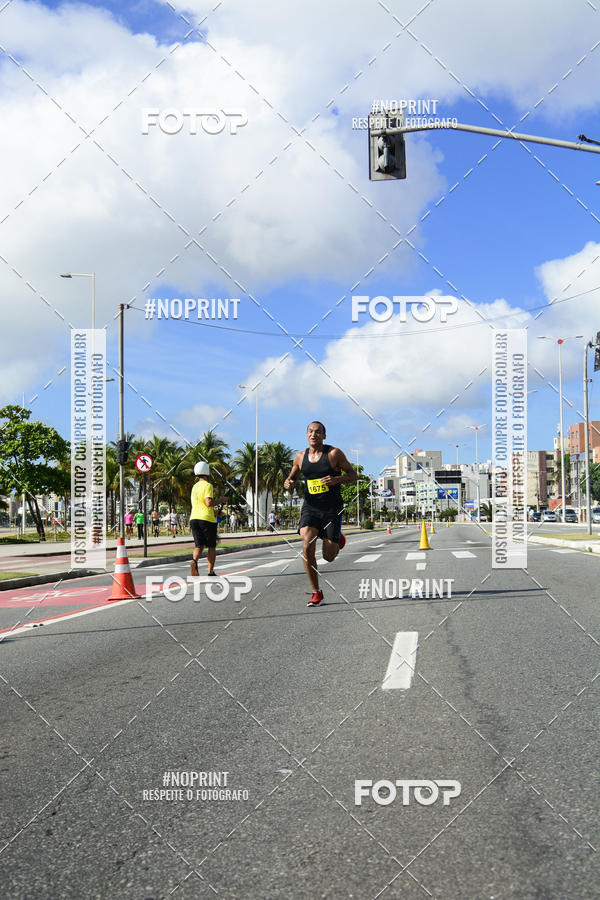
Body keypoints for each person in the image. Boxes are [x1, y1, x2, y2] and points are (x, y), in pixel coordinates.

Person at [284, 421, 357, 606]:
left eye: (317, 432)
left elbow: (353, 475)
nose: (313, 434)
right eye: (310, 431)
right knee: (306, 545)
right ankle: (317, 592)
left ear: (324, 436)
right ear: (306, 435)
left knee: (328, 557)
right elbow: (292, 477)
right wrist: (289, 482)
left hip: (332, 510)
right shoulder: (300, 457)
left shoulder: (333, 454)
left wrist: (336, 479)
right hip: (310, 508)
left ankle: (336, 538)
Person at [189, 462, 227, 578]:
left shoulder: (194, 487)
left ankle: (194, 561)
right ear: (207, 472)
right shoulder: (207, 485)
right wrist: (222, 500)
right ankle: (210, 572)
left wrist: (215, 512)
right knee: (211, 546)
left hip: (194, 518)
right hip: (207, 520)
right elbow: (208, 503)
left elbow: (200, 505)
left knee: (199, 545)